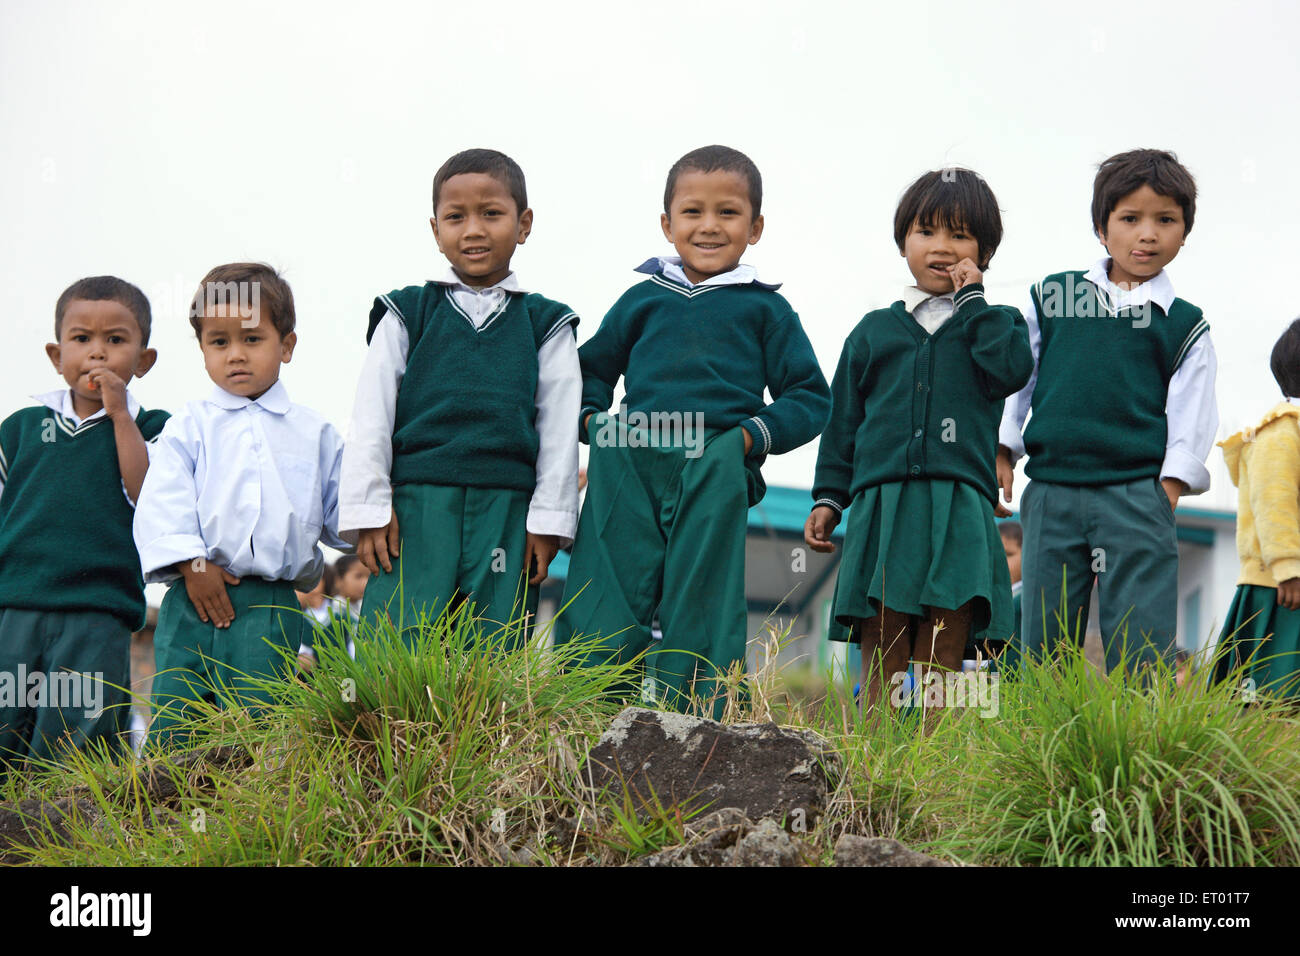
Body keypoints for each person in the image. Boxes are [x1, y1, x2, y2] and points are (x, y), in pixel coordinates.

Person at [556, 145, 831, 718]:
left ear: (755, 228)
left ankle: (697, 727)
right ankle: (586, 719)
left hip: (715, 459)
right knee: (607, 585)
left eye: (728, 213)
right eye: (692, 212)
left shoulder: (765, 310)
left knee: (702, 595)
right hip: (630, 455)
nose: (709, 226)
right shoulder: (641, 299)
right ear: (667, 224)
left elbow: (809, 396)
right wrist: (592, 423)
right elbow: (590, 369)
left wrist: (750, 438)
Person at [807, 168, 1033, 719]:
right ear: (902, 241)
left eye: (959, 235)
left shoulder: (996, 323)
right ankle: (874, 756)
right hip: (885, 504)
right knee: (881, 629)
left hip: (958, 503)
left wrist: (973, 299)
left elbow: (1010, 371)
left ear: (984, 251)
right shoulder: (871, 332)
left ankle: (929, 759)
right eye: (925, 232)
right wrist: (829, 498)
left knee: (945, 633)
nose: (941, 247)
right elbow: (844, 424)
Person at [340, 148, 580, 648]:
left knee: (494, 647)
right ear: (435, 230)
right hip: (415, 505)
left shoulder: (545, 322)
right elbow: (371, 415)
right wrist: (370, 507)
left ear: (524, 223)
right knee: (396, 645)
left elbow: (558, 429)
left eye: (491, 214)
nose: (473, 230)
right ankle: (388, 729)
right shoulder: (407, 311)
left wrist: (548, 521)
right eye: (456, 217)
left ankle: (489, 732)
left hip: (508, 508)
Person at [997, 149, 1218, 675]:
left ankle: (1140, 744)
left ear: (1184, 233)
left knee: (1143, 640)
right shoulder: (1054, 297)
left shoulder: (1185, 324)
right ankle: (1037, 745)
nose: (1148, 234)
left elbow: (1193, 414)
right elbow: (1016, 378)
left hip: (1137, 494)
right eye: (1130, 219)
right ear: (1102, 228)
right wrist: (1004, 444)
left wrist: (1167, 490)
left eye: (1165, 220)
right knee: (1045, 635)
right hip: (1051, 491)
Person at [134, 262, 348, 747]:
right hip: (191, 595)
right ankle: (166, 816)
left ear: (286, 345)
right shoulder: (187, 427)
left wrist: (381, 522)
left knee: (259, 721)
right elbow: (162, 501)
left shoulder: (315, 433)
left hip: (270, 603)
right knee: (177, 715)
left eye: (252, 340)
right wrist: (191, 563)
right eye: (219, 341)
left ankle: (252, 816)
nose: (236, 355)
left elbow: (344, 514)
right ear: (203, 348)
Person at [0, 277, 168, 774]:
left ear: (144, 360)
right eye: (81, 339)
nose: (98, 353)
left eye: (116, 341)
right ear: (57, 355)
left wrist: (121, 418)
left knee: (79, 742)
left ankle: (68, 846)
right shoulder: (22, 428)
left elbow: (147, 495)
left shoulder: (156, 428)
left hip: (99, 612)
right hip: (14, 608)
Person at [1213, 319, 1300, 700]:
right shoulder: (1281, 433)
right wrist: (1289, 567)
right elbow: (1273, 506)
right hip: (1280, 587)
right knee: (1266, 696)